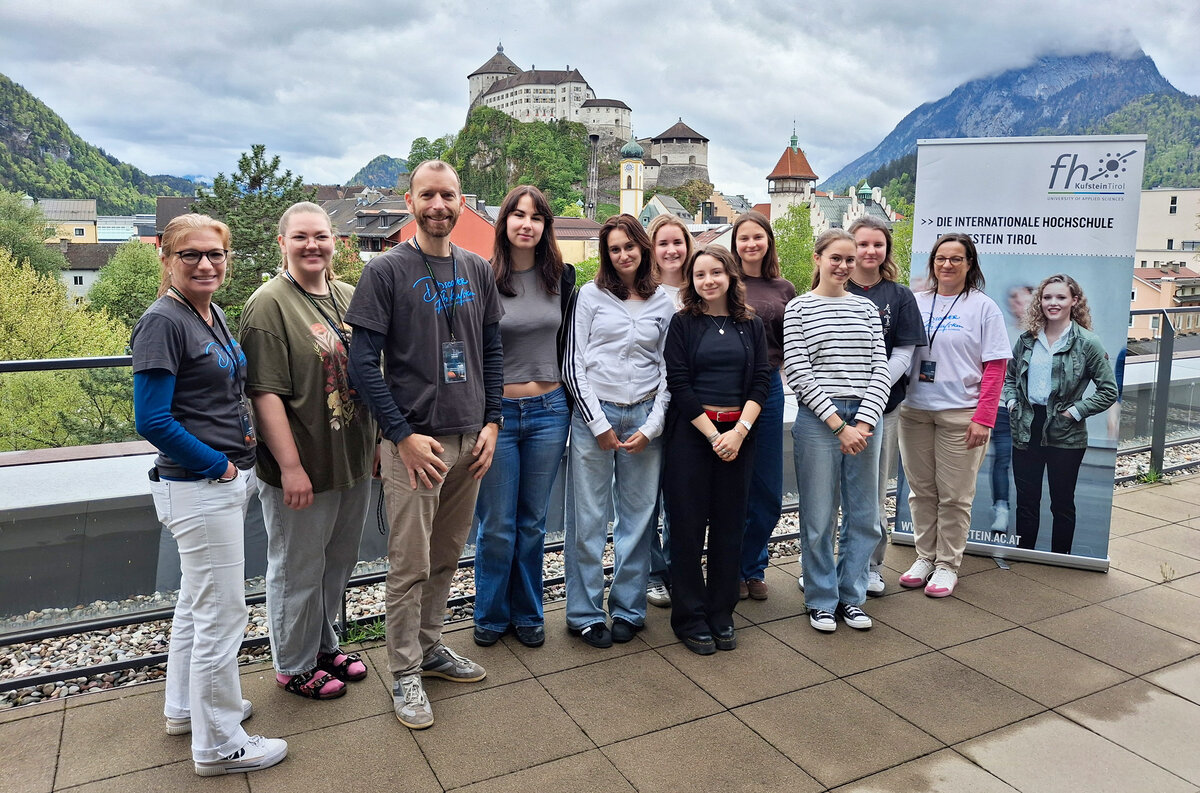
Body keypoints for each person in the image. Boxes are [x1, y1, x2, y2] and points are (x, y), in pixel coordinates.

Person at [345, 160, 503, 730]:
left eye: (449, 195)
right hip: (417, 442)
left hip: (471, 438)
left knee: (445, 556)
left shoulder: (477, 268)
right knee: (408, 564)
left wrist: (493, 423)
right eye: (428, 195)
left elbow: (491, 349)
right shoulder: (387, 271)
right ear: (410, 202)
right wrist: (401, 436)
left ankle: (431, 649)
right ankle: (404, 671)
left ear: (462, 202)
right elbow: (363, 364)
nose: (439, 205)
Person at [132, 214, 287, 776]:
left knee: (196, 608)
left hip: (212, 485)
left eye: (215, 254)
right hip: (198, 487)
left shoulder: (210, 312)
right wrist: (219, 465)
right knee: (223, 614)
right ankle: (220, 742)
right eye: (192, 254)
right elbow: (150, 419)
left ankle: (184, 710)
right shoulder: (163, 322)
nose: (205, 264)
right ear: (166, 257)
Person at [240, 201, 376, 701]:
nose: (312, 245)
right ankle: (292, 664)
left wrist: (377, 444)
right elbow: (264, 394)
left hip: (352, 460)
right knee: (297, 568)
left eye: (320, 235)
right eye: (300, 237)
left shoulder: (346, 295)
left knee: (336, 562)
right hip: (301, 468)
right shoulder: (268, 305)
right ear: (283, 243)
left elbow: (371, 373)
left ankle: (322, 645)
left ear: (334, 241)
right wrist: (291, 466)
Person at [563, 213, 673, 648]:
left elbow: (668, 370)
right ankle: (585, 614)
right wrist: (597, 423)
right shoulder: (590, 296)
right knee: (587, 519)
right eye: (614, 249)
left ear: (642, 248)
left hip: (645, 416)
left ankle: (629, 608)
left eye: (629, 246)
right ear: (606, 255)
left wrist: (653, 425)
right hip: (596, 415)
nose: (623, 254)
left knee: (639, 520)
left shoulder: (663, 301)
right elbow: (574, 363)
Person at [472, 186, 575, 649]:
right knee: (495, 523)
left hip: (551, 410)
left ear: (545, 226)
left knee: (532, 521)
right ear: (504, 222)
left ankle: (529, 612)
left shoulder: (563, 278)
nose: (526, 223)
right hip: (497, 416)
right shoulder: (481, 278)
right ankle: (491, 613)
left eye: (535, 217)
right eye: (517, 214)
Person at [663, 245, 771, 653]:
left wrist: (738, 433)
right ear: (691, 281)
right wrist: (713, 436)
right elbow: (679, 384)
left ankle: (722, 612)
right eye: (699, 274)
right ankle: (689, 616)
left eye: (715, 273)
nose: (708, 281)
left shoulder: (751, 325)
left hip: (739, 436)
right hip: (693, 437)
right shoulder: (683, 324)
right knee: (688, 529)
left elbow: (761, 380)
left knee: (729, 528)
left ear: (730, 276)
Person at [784, 229, 890, 632]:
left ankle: (852, 596)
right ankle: (821, 599)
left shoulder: (865, 310)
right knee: (819, 515)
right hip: (818, 420)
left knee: (864, 516)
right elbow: (797, 369)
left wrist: (863, 421)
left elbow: (881, 367)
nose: (844, 266)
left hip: (865, 418)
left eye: (850, 259)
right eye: (836, 258)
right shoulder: (799, 309)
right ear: (818, 259)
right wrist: (838, 425)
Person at [898, 233, 1010, 597]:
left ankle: (947, 564)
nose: (947, 265)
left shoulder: (983, 307)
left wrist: (984, 418)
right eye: (940, 258)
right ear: (932, 263)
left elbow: (995, 367)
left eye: (956, 259)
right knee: (921, 491)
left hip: (961, 413)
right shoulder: (915, 301)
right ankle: (924, 557)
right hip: (914, 411)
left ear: (970, 265)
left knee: (955, 495)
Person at [836, 217, 926, 594]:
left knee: (872, 491)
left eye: (877, 245)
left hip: (882, 409)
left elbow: (904, 354)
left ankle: (870, 565)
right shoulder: (831, 287)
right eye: (862, 244)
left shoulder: (899, 295)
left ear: (886, 250)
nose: (869, 251)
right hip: (833, 411)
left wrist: (872, 390)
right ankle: (822, 566)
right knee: (828, 494)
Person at [1003, 274, 1117, 554]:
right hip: (1027, 427)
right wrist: (1012, 404)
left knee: (1062, 502)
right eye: (1047, 297)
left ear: (1074, 301)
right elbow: (1010, 379)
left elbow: (1108, 390)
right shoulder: (1027, 340)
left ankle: (1060, 560)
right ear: (1040, 301)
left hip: (1066, 433)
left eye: (1061, 297)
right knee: (1026, 501)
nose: (1053, 303)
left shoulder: (1088, 343)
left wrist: (1075, 412)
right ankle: (1024, 556)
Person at [731, 210, 796, 601]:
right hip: (727, 391)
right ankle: (732, 568)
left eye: (758, 237)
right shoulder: (723, 281)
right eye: (743, 238)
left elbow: (793, 344)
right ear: (734, 244)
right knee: (731, 488)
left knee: (768, 490)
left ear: (768, 241)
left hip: (769, 389)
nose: (751, 244)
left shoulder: (783, 288)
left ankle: (753, 566)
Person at [645, 214, 693, 609]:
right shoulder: (644, 292)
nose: (672, 250)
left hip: (689, 410)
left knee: (681, 496)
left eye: (678, 242)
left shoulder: (701, 289)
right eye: (663, 243)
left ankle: (680, 567)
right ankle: (651, 573)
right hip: (648, 405)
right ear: (652, 249)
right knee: (643, 496)